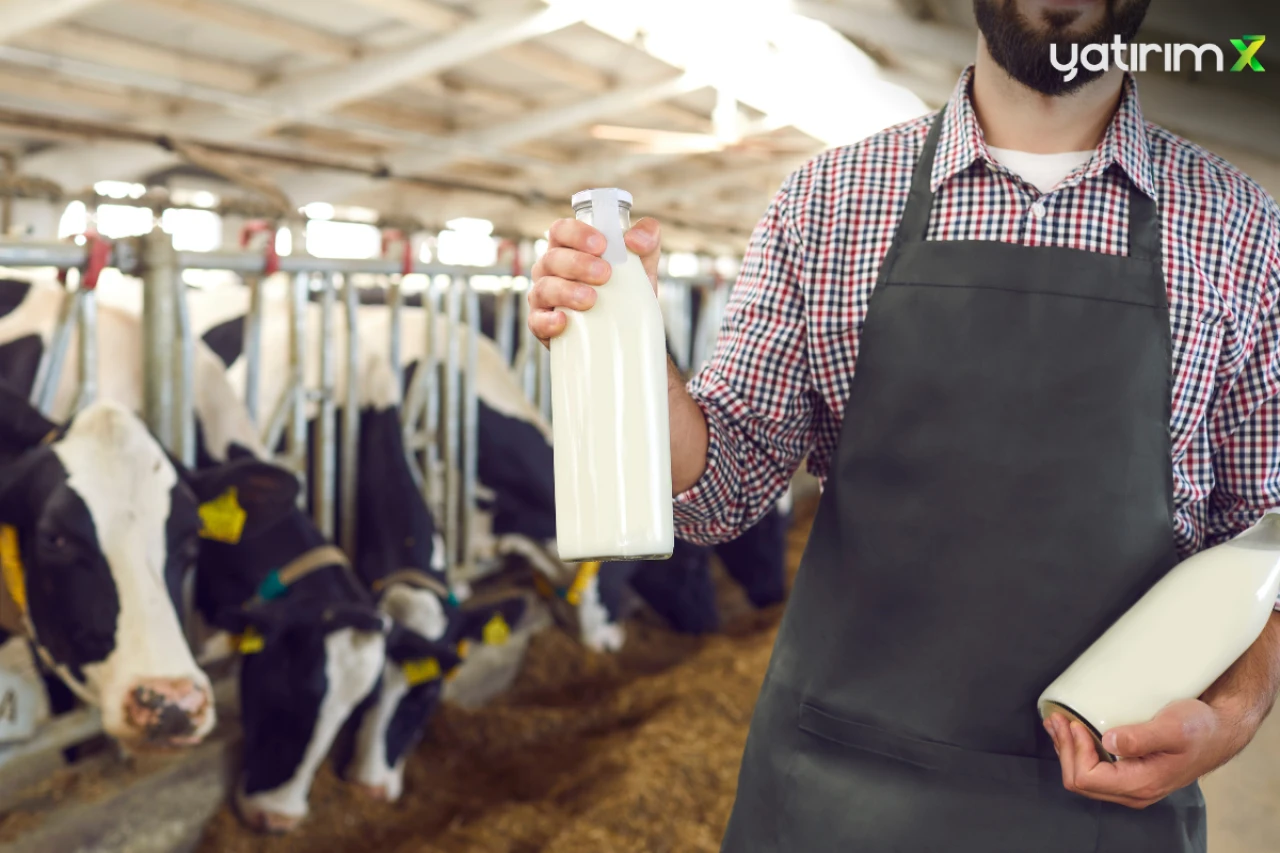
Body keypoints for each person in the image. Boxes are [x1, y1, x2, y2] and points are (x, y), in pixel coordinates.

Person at [527, 0, 1280, 849]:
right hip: (833, 794)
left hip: (1105, 807)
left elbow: (1264, 540)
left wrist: (1236, 713)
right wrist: (637, 361)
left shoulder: (1238, 227)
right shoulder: (829, 201)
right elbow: (724, 487)